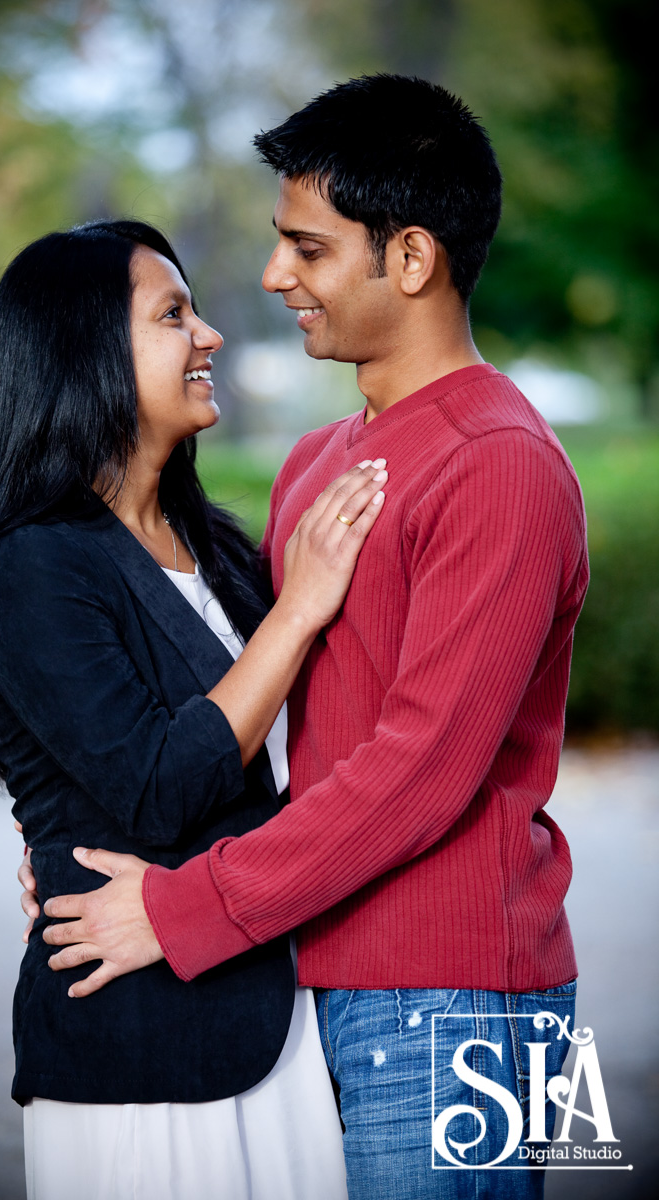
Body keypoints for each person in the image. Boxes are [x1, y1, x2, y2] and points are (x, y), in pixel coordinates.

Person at [32, 77, 590, 1198]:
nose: (275, 276)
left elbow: (418, 773)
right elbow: (234, 692)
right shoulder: (315, 465)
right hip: (313, 983)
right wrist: (74, 844)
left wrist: (181, 909)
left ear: (413, 260)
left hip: (466, 1003)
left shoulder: (502, 466)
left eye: (308, 248)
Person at [0, 217, 390, 1200]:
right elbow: (155, 787)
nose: (210, 336)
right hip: (140, 1054)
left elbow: (297, 762)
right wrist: (304, 606)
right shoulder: (31, 566)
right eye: (171, 314)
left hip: (274, 1030)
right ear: (84, 350)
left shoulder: (219, 553)